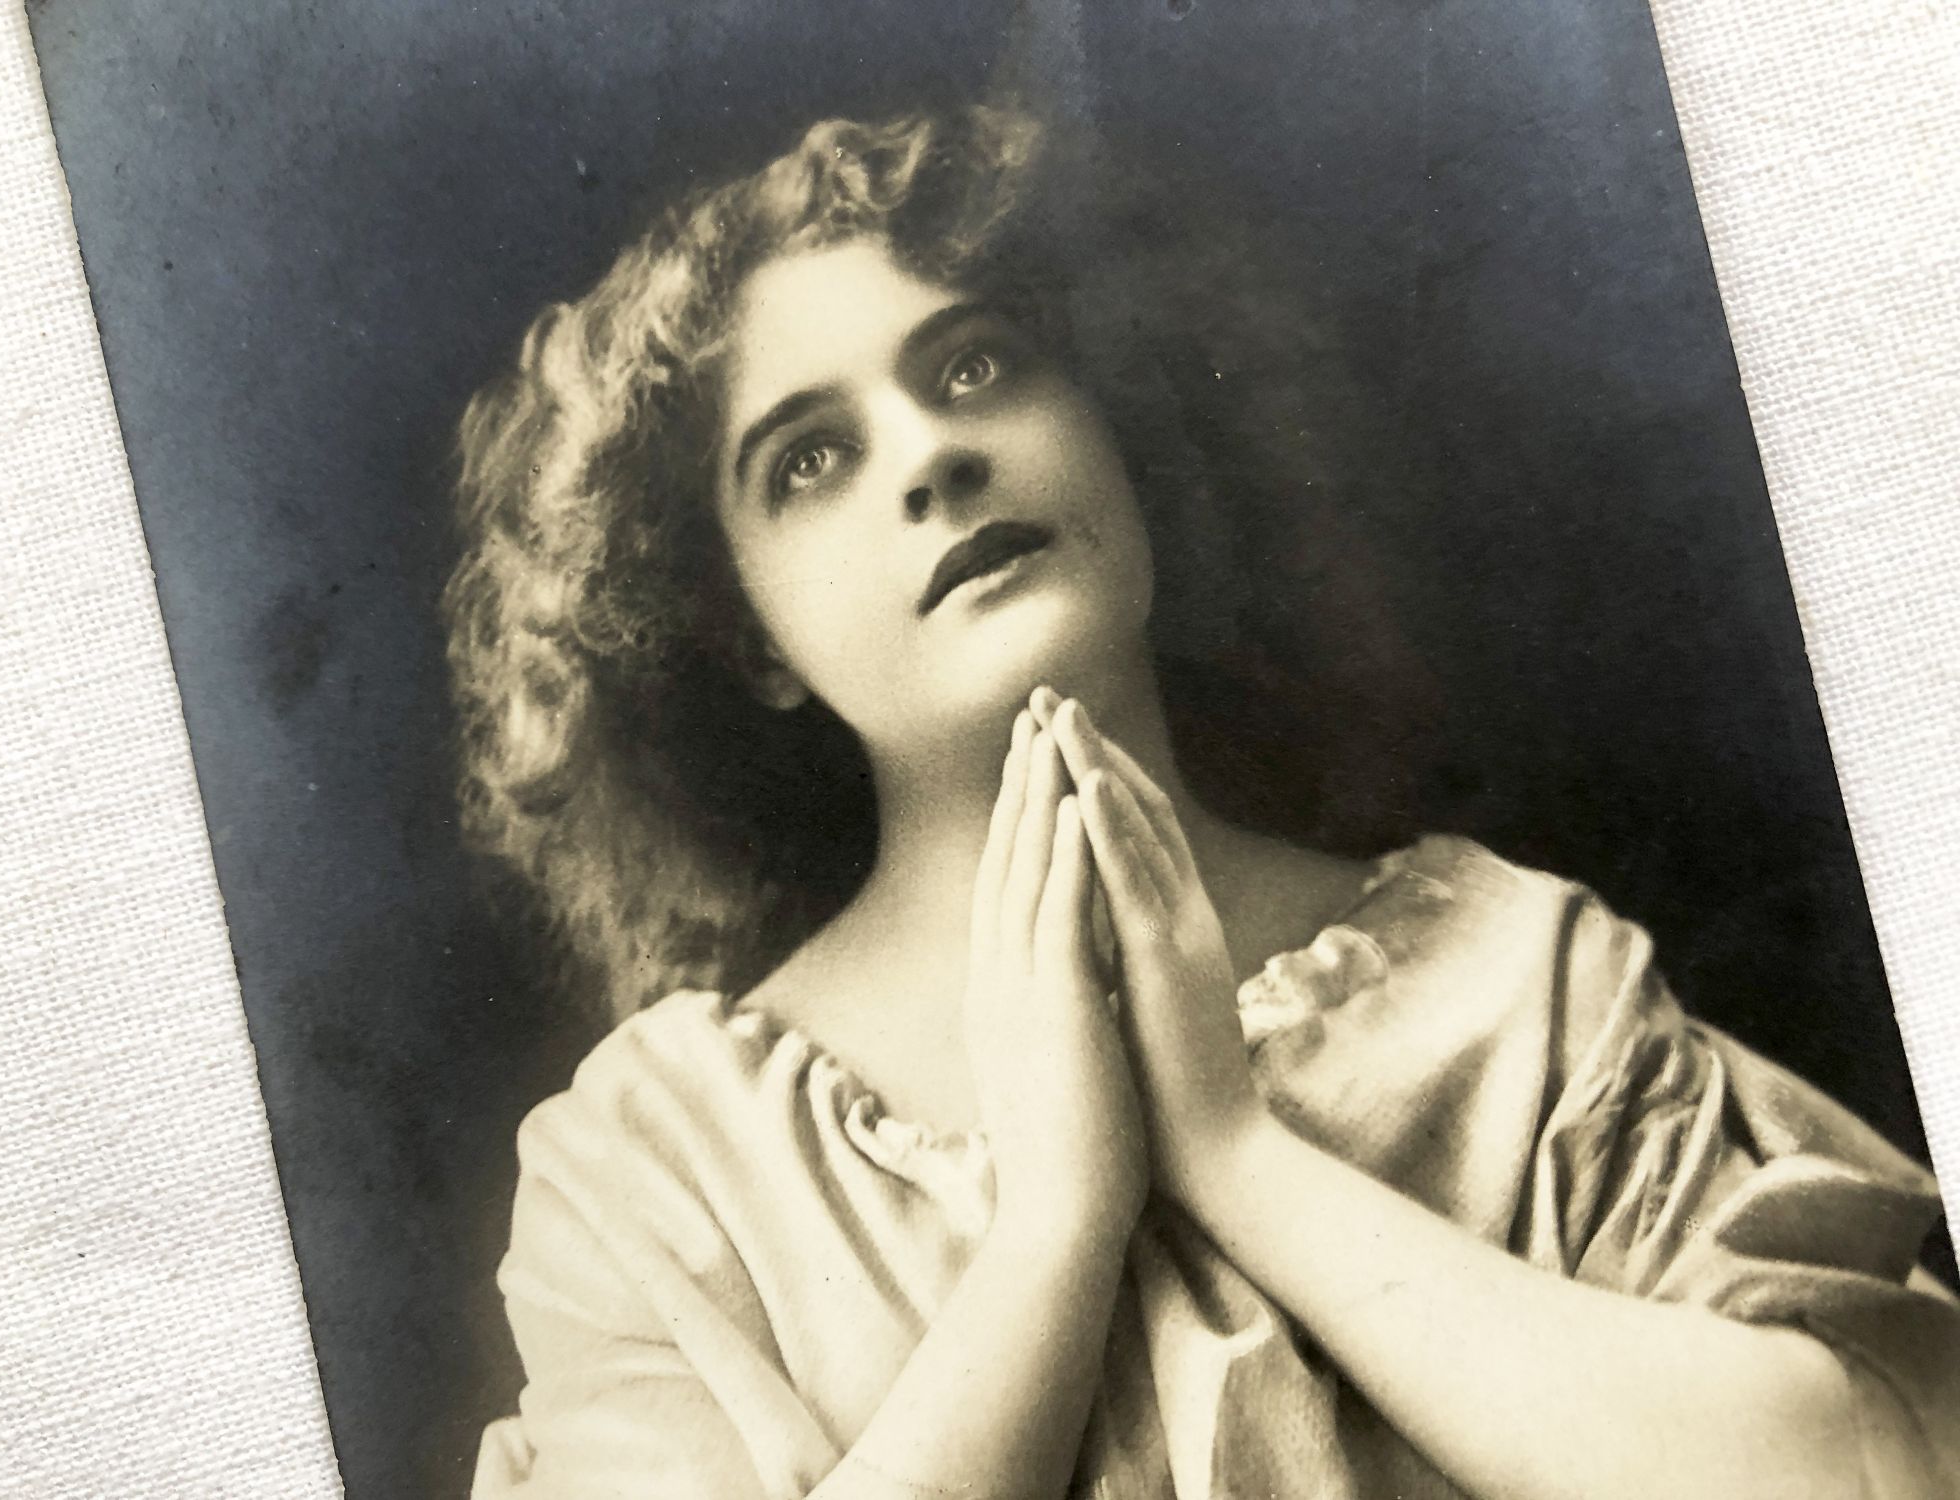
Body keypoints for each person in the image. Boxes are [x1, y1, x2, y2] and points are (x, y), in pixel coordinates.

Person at [445, 103, 1959, 1499]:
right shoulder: (661, 1166)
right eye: (811, 459)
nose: (934, 454)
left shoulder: (1522, 983)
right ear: (741, 638)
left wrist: (1239, 1158)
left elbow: (1871, 1476)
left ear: (1120, 438)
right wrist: (1052, 1234)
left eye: (975, 364)